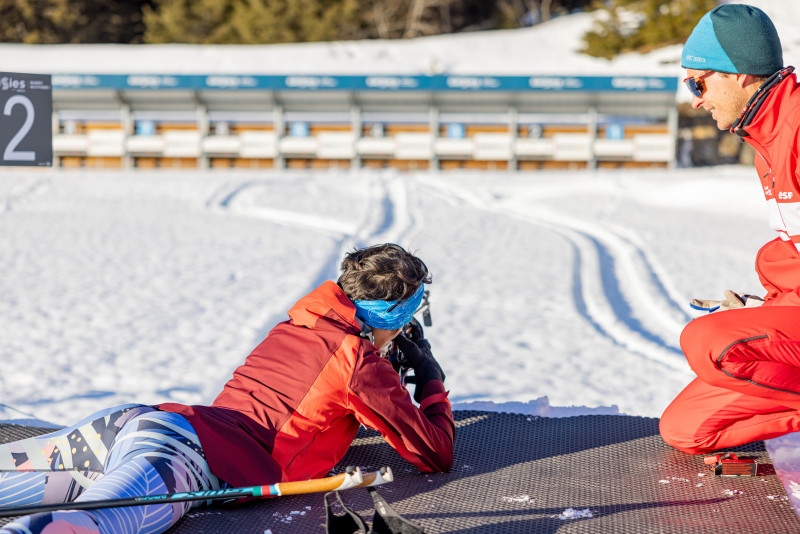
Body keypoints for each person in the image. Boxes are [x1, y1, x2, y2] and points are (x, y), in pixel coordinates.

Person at [0, 243, 454, 534]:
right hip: (183, 459)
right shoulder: (357, 361)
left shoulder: (296, 324)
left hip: (135, 425)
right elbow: (434, 452)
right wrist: (429, 377)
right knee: (83, 527)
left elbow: (308, 400)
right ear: (393, 316)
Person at [659, 4, 800, 455]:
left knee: (708, 343)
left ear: (737, 74)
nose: (695, 99)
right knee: (686, 429)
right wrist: (769, 308)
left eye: (697, 83)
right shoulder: (768, 139)